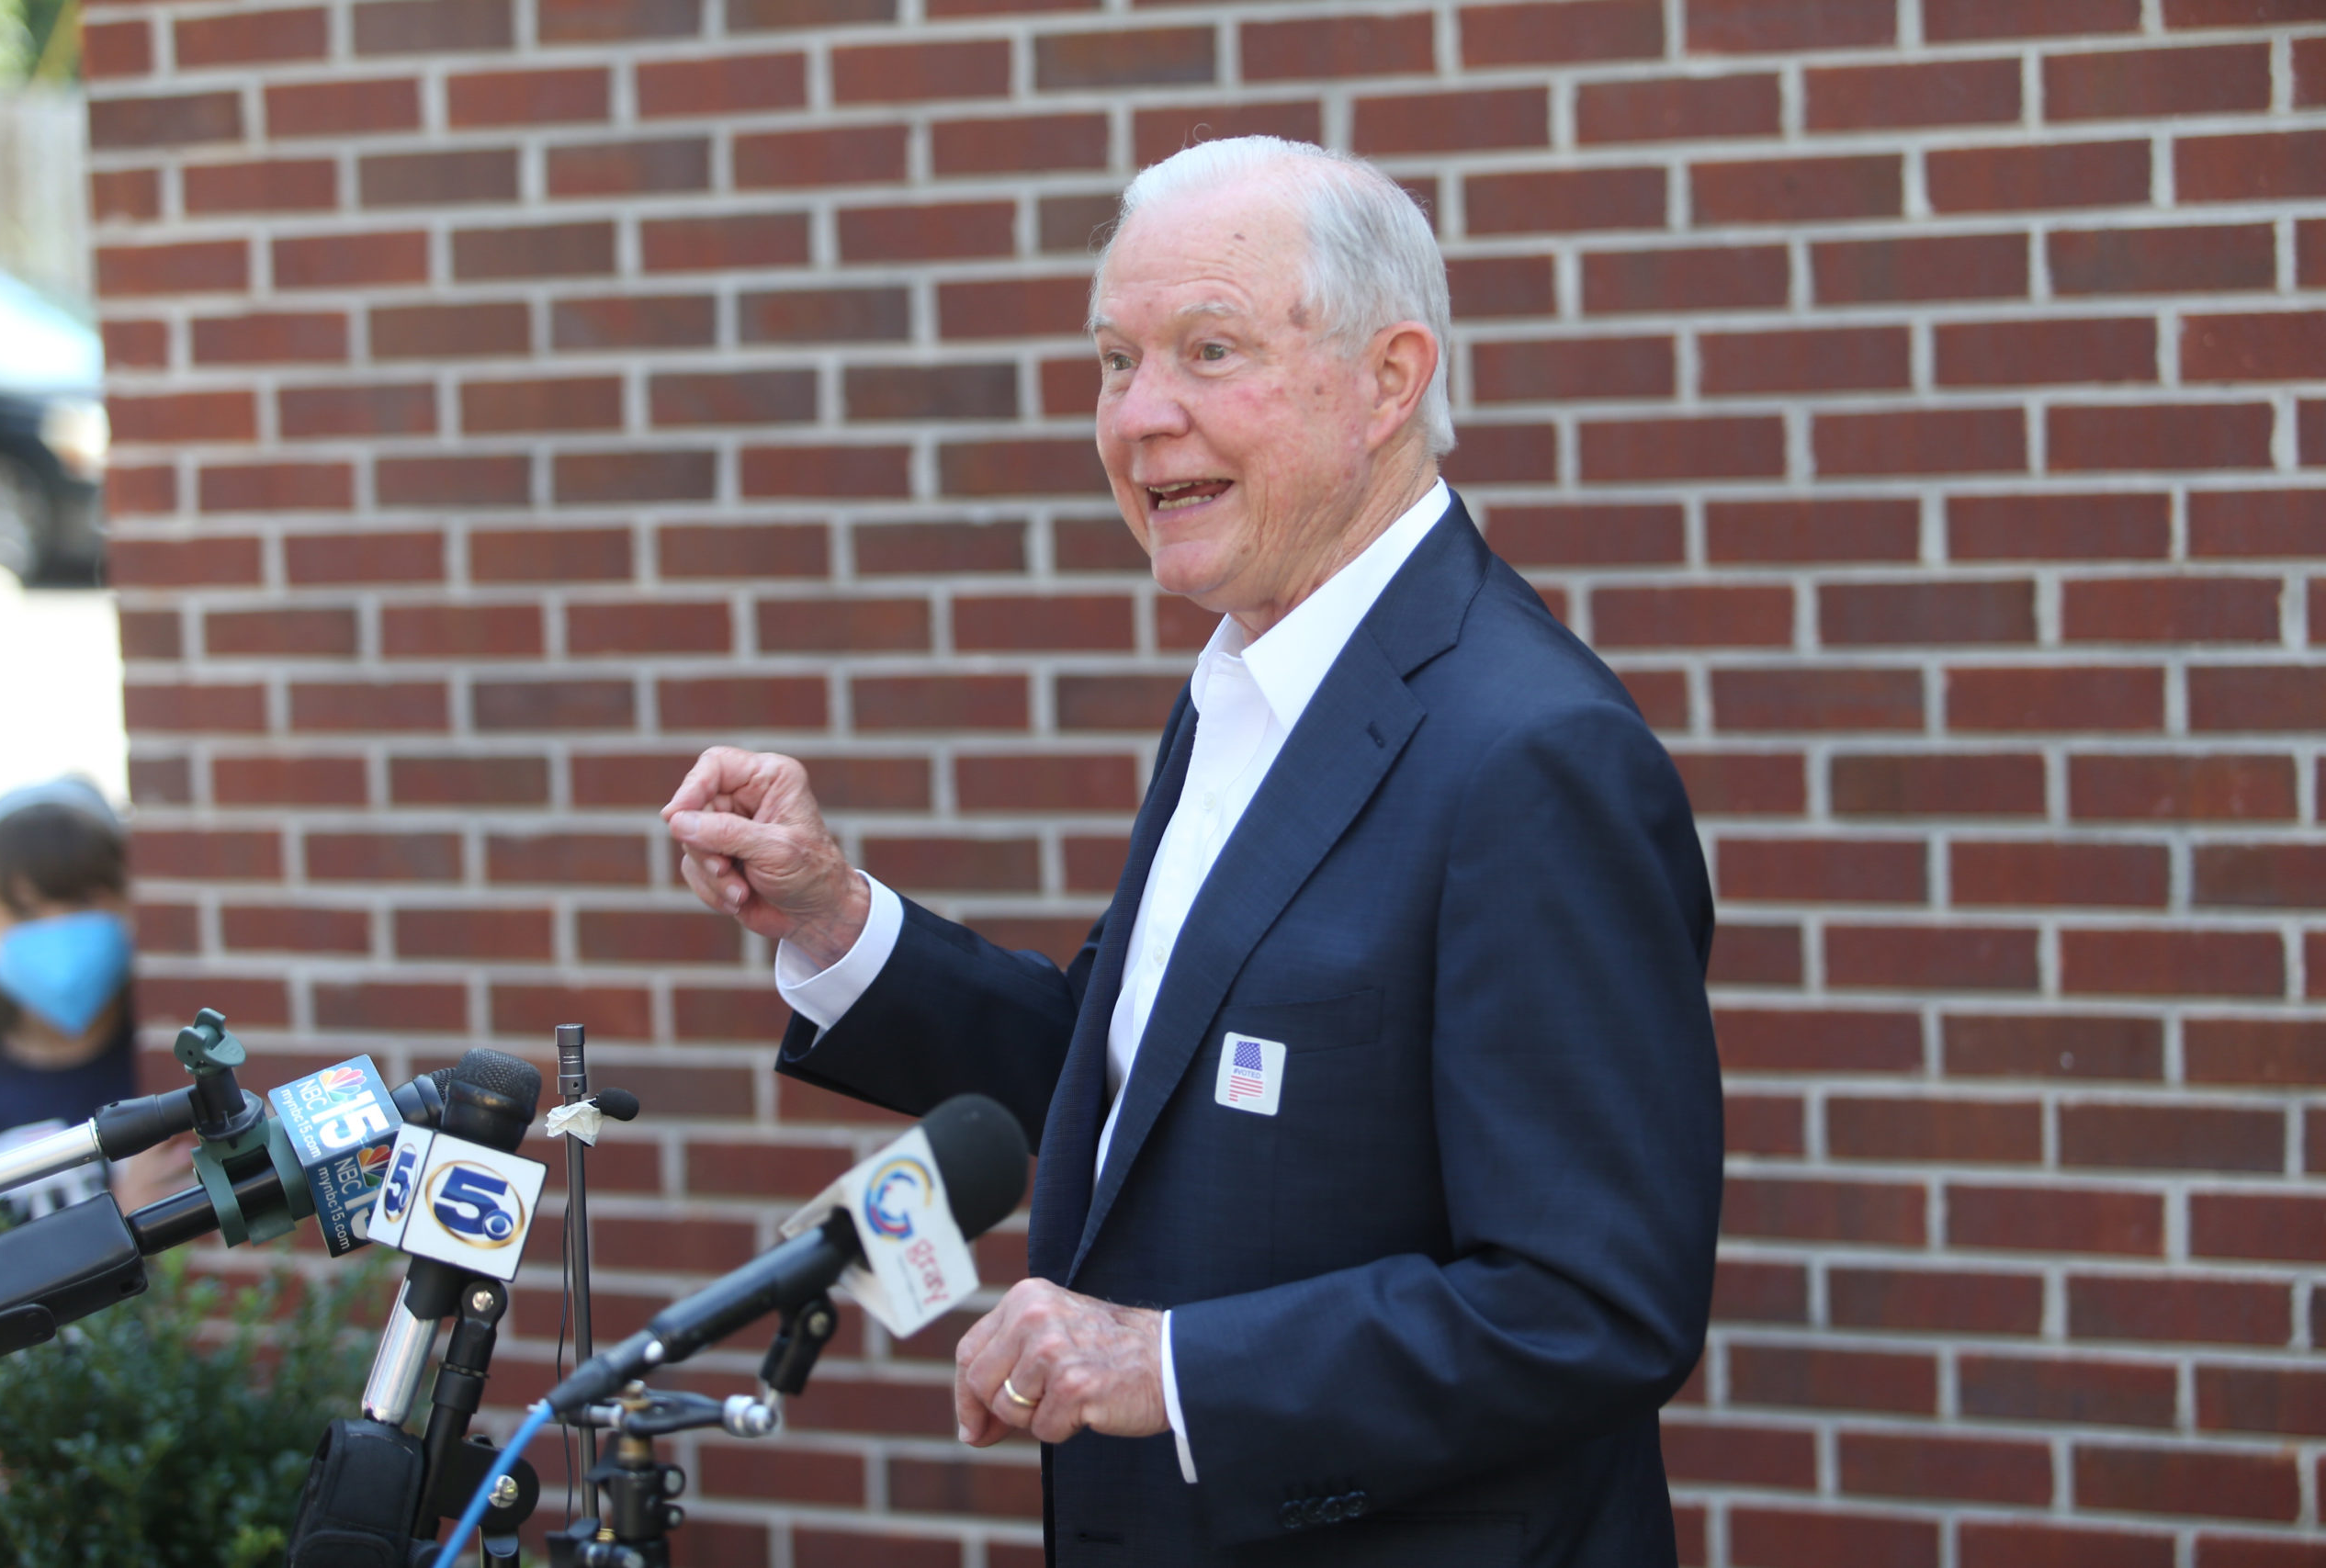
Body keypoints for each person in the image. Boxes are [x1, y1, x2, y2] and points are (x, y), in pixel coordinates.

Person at [665, 137, 1722, 1565]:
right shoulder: (1250, 681)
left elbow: (1588, 1303)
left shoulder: (1532, 753)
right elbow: (1136, 1099)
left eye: (1208, 350)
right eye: (1115, 359)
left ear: (1390, 379)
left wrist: (1165, 1367)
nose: (1140, 416)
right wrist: (838, 917)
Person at [0, 776, 151, 1219]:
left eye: (82, 900)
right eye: (25, 912)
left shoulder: (172, 1062)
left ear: (130, 905)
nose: (56, 928)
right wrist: (119, 1227)